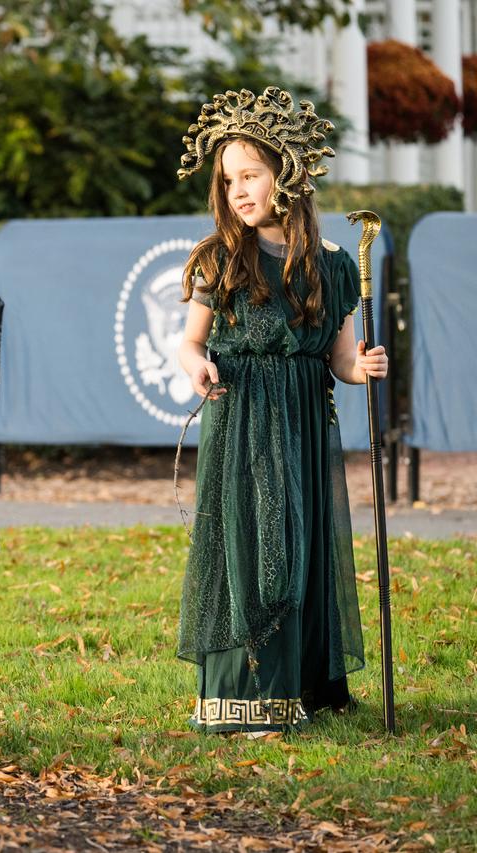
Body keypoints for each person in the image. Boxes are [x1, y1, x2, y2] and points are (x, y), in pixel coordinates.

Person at [174, 87, 388, 735]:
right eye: (229, 180)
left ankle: (299, 684)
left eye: (251, 175)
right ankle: (243, 693)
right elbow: (188, 342)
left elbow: (340, 361)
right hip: (241, 421)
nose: (239, 191)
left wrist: (363, 368)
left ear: (287, 173)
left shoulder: (331, 268)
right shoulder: (220, 260)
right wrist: (198, 366)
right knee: (249, 540)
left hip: (301, 424)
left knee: (298, 543)